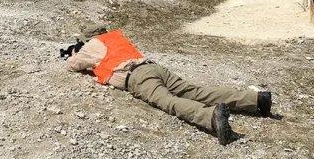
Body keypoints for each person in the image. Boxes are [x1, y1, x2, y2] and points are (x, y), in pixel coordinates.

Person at [65, 23, 272, 146]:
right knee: (197, 91)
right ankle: (256, 99)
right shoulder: (116, 38)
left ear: (89, 38)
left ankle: (210, 116)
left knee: (168, 102)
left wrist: (76, 53)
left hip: (137, 77)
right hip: (153, 68)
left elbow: (73, 65)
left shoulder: (92, 45)